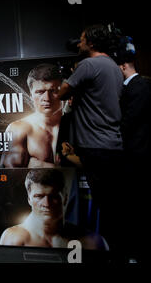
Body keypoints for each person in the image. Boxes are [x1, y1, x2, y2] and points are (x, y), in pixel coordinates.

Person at [56, 24, 124, 259]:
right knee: (111, 204)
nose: (79, 44)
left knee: (106, 207)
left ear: (92, 43)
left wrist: (66, 87)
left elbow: (61, 93)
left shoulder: (88, 64)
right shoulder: (114, 67)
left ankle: (112, 253)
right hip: (111, 145)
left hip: (96, 147)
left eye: (83, 40)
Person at [0, 169, 108, 250]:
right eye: (39, 196)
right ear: (29, 199)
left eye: (54, 196)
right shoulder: (13, 239)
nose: (46, 204)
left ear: (65, 198)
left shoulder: (92, 241)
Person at [118, 59, 150, 262]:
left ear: (122, 67)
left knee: (136, 208)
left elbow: (129, 123)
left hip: (138, 157)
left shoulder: (139, 87)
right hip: (138, 155)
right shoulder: (144, 84)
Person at [0, 64, 62, 168]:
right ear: (31, 96)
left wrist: (41, 165)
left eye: (53, 91)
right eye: (40, 92)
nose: (46, 98)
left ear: (62, 93)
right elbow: (11, 177)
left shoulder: (77, 126)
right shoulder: (18, 129)